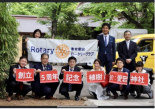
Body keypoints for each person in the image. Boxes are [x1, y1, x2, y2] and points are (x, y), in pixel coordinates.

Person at [97, 23, 116, 96]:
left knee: (108, 74)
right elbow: (94, 46)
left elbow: (113, 50)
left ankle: (108, 90)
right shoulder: (98, 37)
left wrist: (113, 60)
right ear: (102, 29)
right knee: (100, 73)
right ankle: (100, 89)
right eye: (104, 28)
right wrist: (96, 43)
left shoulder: (112, 38)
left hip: (109, 58)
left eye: (106, 28)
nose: (105, 29)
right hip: (101, 58)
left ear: (109, 29)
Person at [117, 30, 137, 96]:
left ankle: (132, 91)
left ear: (130, 35)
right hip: (124, 63)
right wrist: (125, 59)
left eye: (128, 34)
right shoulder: (120, 44)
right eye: (126, 34)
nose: (127, 35)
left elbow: (135, 53)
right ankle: (122, 91)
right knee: (123, 77)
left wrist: (130, 59)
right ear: (124, 36)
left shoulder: (134, 44)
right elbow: (120, 53)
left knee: (132, 77)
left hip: (132, 63)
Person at [25, 29, 42, 97]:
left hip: (39, 61)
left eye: (38, 33)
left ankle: (38, 91)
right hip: (32, 61)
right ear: (34, 34)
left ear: (40, 35)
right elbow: (27, 49)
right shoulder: (30, 41)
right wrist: (26, 42)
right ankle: (33, 92)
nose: (37, 34)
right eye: (36, 33)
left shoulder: (42, 42)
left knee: (39, 76)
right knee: (32, 76)